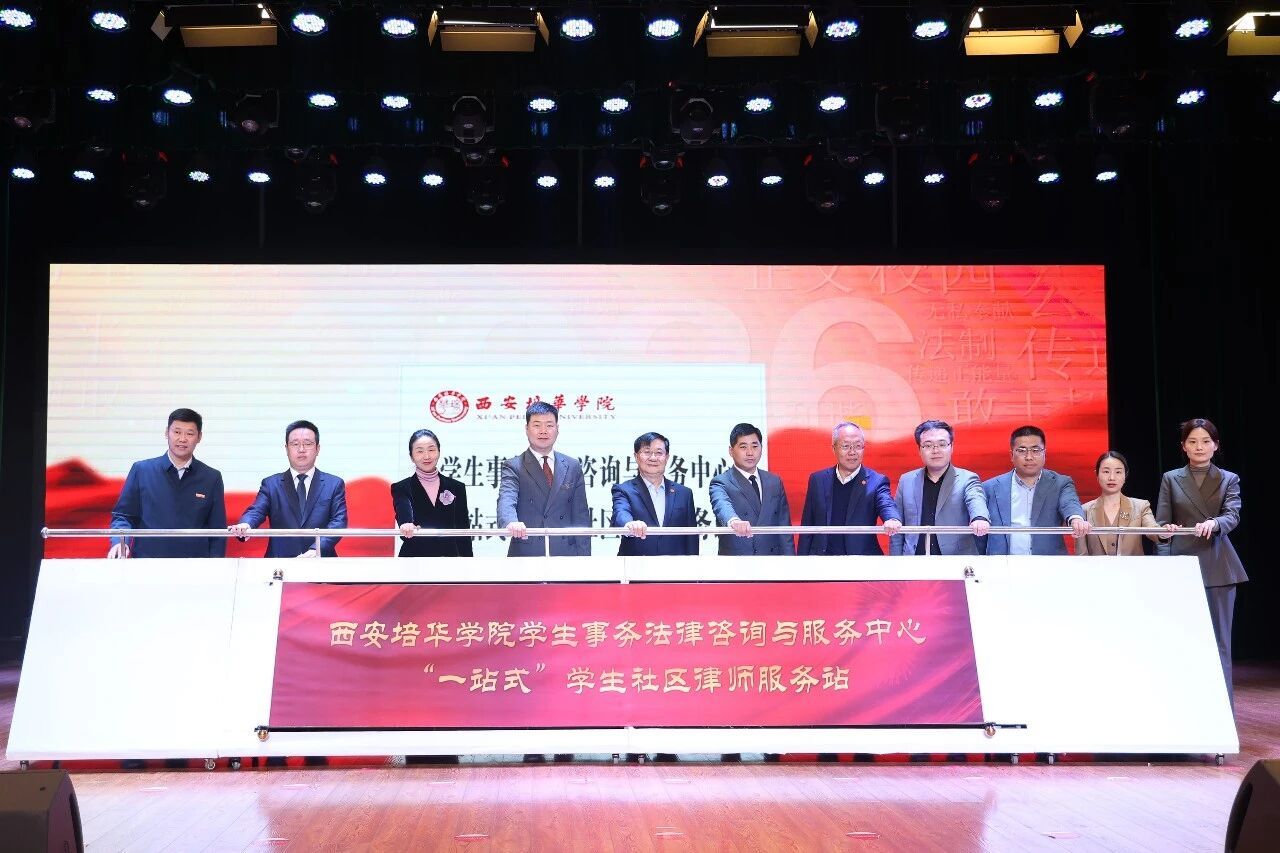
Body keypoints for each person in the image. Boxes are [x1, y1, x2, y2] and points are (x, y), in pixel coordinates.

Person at [1155, 418, 1246, 704]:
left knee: (1219, 644)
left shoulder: (1229, 479)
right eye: (1192, 441)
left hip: (1218, 565)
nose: (1199, 447)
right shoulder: (1171, 478)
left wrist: (1215, 523)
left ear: (1215, 445)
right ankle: (1184, 708)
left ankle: (1222, 713)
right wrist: (1165, 538)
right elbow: (1161, 524)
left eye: (1206, 441)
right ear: (1183, 446)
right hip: (1181, 566)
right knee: (1180, 641)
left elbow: (1232, 515)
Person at [108, 407, 227, 558]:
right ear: (166, 433)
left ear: (199, 437)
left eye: (189, 433)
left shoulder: (211, 477)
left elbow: (217, 530)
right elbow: (123, 516)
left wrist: (216, 565)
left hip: (195, 566)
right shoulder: (142, 470)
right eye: (177, 432)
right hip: (147, 563)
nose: (182, 439)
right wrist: (120, 542)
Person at [231, 420, 348, 558]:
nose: (301, 449)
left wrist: (316, 549)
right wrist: (246, 524)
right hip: (279, 562)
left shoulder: (334, 484)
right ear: (287, 449)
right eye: (295, 444)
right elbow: (257, 510)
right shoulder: (271, 484)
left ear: (318, 449)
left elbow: (339, 521)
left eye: (308, 443)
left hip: (321, 560)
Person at [497, 401, 591, 557]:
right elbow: (507, 498)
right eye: (536, 425)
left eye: (549, 425)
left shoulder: (572, 465)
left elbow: (580, 517)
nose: (543, 431)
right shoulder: (514, 466)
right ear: (526, 429)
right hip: (527, 552)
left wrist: (584, 558)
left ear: (557, 429)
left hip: (566, 553)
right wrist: (511, 522)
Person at [980, 425, 1090, 556]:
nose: (1029, 457)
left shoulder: (1060, 483)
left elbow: (1070, 503)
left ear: (1044, 453)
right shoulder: (990, 488)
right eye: (1022, 451)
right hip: (1003, 563)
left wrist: (1076, 519)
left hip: (1048, 563)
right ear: (1011, 455)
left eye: (1035, 450)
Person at [798, 422, 902, 555]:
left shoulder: (877, 481)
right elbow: (807, 525)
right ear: (834, 448)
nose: (852, 452)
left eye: (858, 446)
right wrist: (802, 561)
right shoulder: (817, 480)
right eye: (846, 446)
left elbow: (886, 503)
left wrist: (892, 518)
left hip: (861, 560)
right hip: (823, 560)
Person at [889, 420, 989, 556]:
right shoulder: (906, 480)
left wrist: (980, 518)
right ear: (919, 450)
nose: (935, 450)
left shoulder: (967, 479)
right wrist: (895, 561)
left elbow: (976, 500)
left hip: (954, 559)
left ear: (951, 447)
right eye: (928, 445)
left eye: (942, 444)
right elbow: (897, 526)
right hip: (914, 560)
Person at [708, 423, 795, 556]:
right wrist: (733, 521)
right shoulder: (721, 482)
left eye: (755, 446)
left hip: (772, 560)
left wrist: (791, 561)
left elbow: (784, 529)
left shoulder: (774, 481)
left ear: (761, 448)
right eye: (743, 447)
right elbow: (721, 505)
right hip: (737, 561)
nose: (750, 453)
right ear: (731, 451)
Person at [611, 432, 698, 556]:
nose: (653, 458)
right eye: (647, 452)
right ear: (636, 456)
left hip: (676, 565)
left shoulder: (684, 494)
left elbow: (691, 538)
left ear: (667, 457)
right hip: (636, 564)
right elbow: (620, 513)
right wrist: (629, 524)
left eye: (659, 453)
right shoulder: (623, 490)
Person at [391, 429, 473, 558]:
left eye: (431, 450)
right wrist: (406, 523)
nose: (427, 456)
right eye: (420, 451)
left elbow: (463, 533)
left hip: (449, 560)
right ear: (411, 456)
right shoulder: (402, 487)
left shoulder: (457, 487)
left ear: (439, 452)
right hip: (414, 558)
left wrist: (467, 563)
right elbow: (403, 509)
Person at [1076, 450, 1172, 557]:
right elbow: (1081, 553)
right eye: (1106, 471)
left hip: (1132, 567)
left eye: (1118, 472)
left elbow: (1152, 530)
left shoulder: (1140, 506)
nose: (1112, 477)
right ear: (1097, 475)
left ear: (1125, 475)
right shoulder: (1084, 510)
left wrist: (1163, 533)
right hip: (1097, 568)